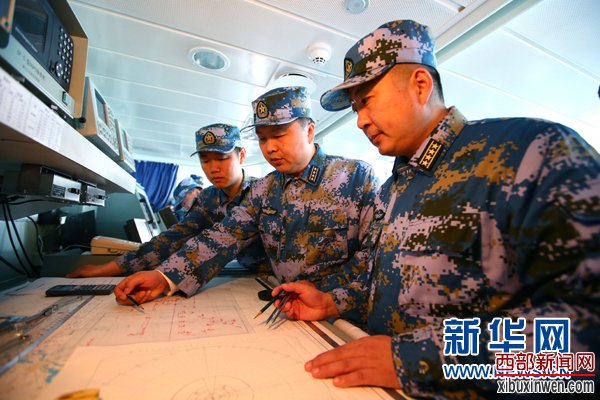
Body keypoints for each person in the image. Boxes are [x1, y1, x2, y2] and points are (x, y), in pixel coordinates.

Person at [273, 20, 600, 397]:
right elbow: (375, 280)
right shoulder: (392, 189)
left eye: (367, 100)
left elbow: (585, 337)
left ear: (420, 85)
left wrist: (414, 361)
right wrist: (332, 301)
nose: (359, 119)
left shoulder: (531, 152)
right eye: (355, 107)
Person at [113, 86, 380, 307]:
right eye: (262, 139)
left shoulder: (356, 177)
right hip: (286, 308)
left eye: (278, 135)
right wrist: (164, 277)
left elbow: (373, 254)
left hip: (340, 311)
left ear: (309, 131)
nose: (270, 148)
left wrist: (327, 295)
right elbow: (222, 237)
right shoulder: (263, 190)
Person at [66, 123, 267, 279]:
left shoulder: (263, 191)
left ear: (241, 156)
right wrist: (108, 268)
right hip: (248, 276)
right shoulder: (208, 199)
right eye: (205, 160)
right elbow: (172, 239)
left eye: (222, 158)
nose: (213, 168)